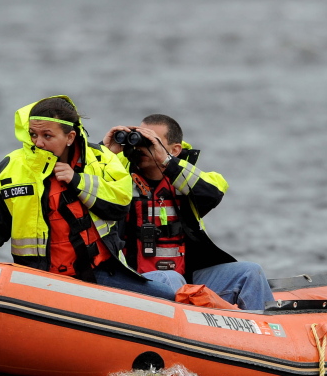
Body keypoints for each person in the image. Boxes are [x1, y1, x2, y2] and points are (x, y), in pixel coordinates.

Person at [0, 96, 176, 300]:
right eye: (33, 135)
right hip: (36, 279)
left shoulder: (101, 160)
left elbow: (118, 206)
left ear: (70, 137)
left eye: (47, 136)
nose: (38, 143)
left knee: (167, 295)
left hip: (97, 275)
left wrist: (77, 182)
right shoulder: (10, 170)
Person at [103, 114, 275, 310]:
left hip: (186, 275)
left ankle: (263, 333)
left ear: (175, 150)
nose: (141, 147)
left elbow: (211, 193)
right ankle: (187, 335)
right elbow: (85, 186)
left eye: (151, 141)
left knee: (250, 272)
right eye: (140, 139)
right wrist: (106, 152)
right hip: (135, 278)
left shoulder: (186, 178)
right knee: (171, 278)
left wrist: (167, 162)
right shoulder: (118, 176)